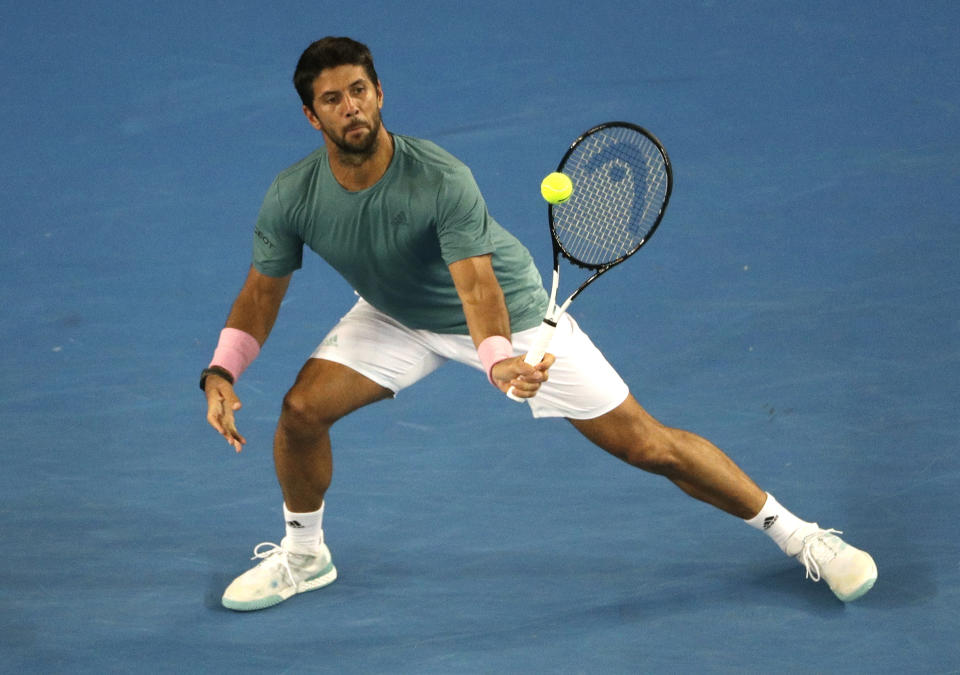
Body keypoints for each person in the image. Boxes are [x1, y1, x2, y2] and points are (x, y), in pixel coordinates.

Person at [201, 36, 877, 612]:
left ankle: (801, 534)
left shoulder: (440, 178)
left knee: (647, 444)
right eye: (332, 99)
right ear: (311, 116)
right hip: (395, 315)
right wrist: (223, 370)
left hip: (510, 315)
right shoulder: (294, 194)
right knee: (299, 412)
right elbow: (262, 292)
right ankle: (305, 555)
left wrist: (497, 357)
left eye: (359, 90)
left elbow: (476, 282)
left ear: (381, 94)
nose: (350, 107)